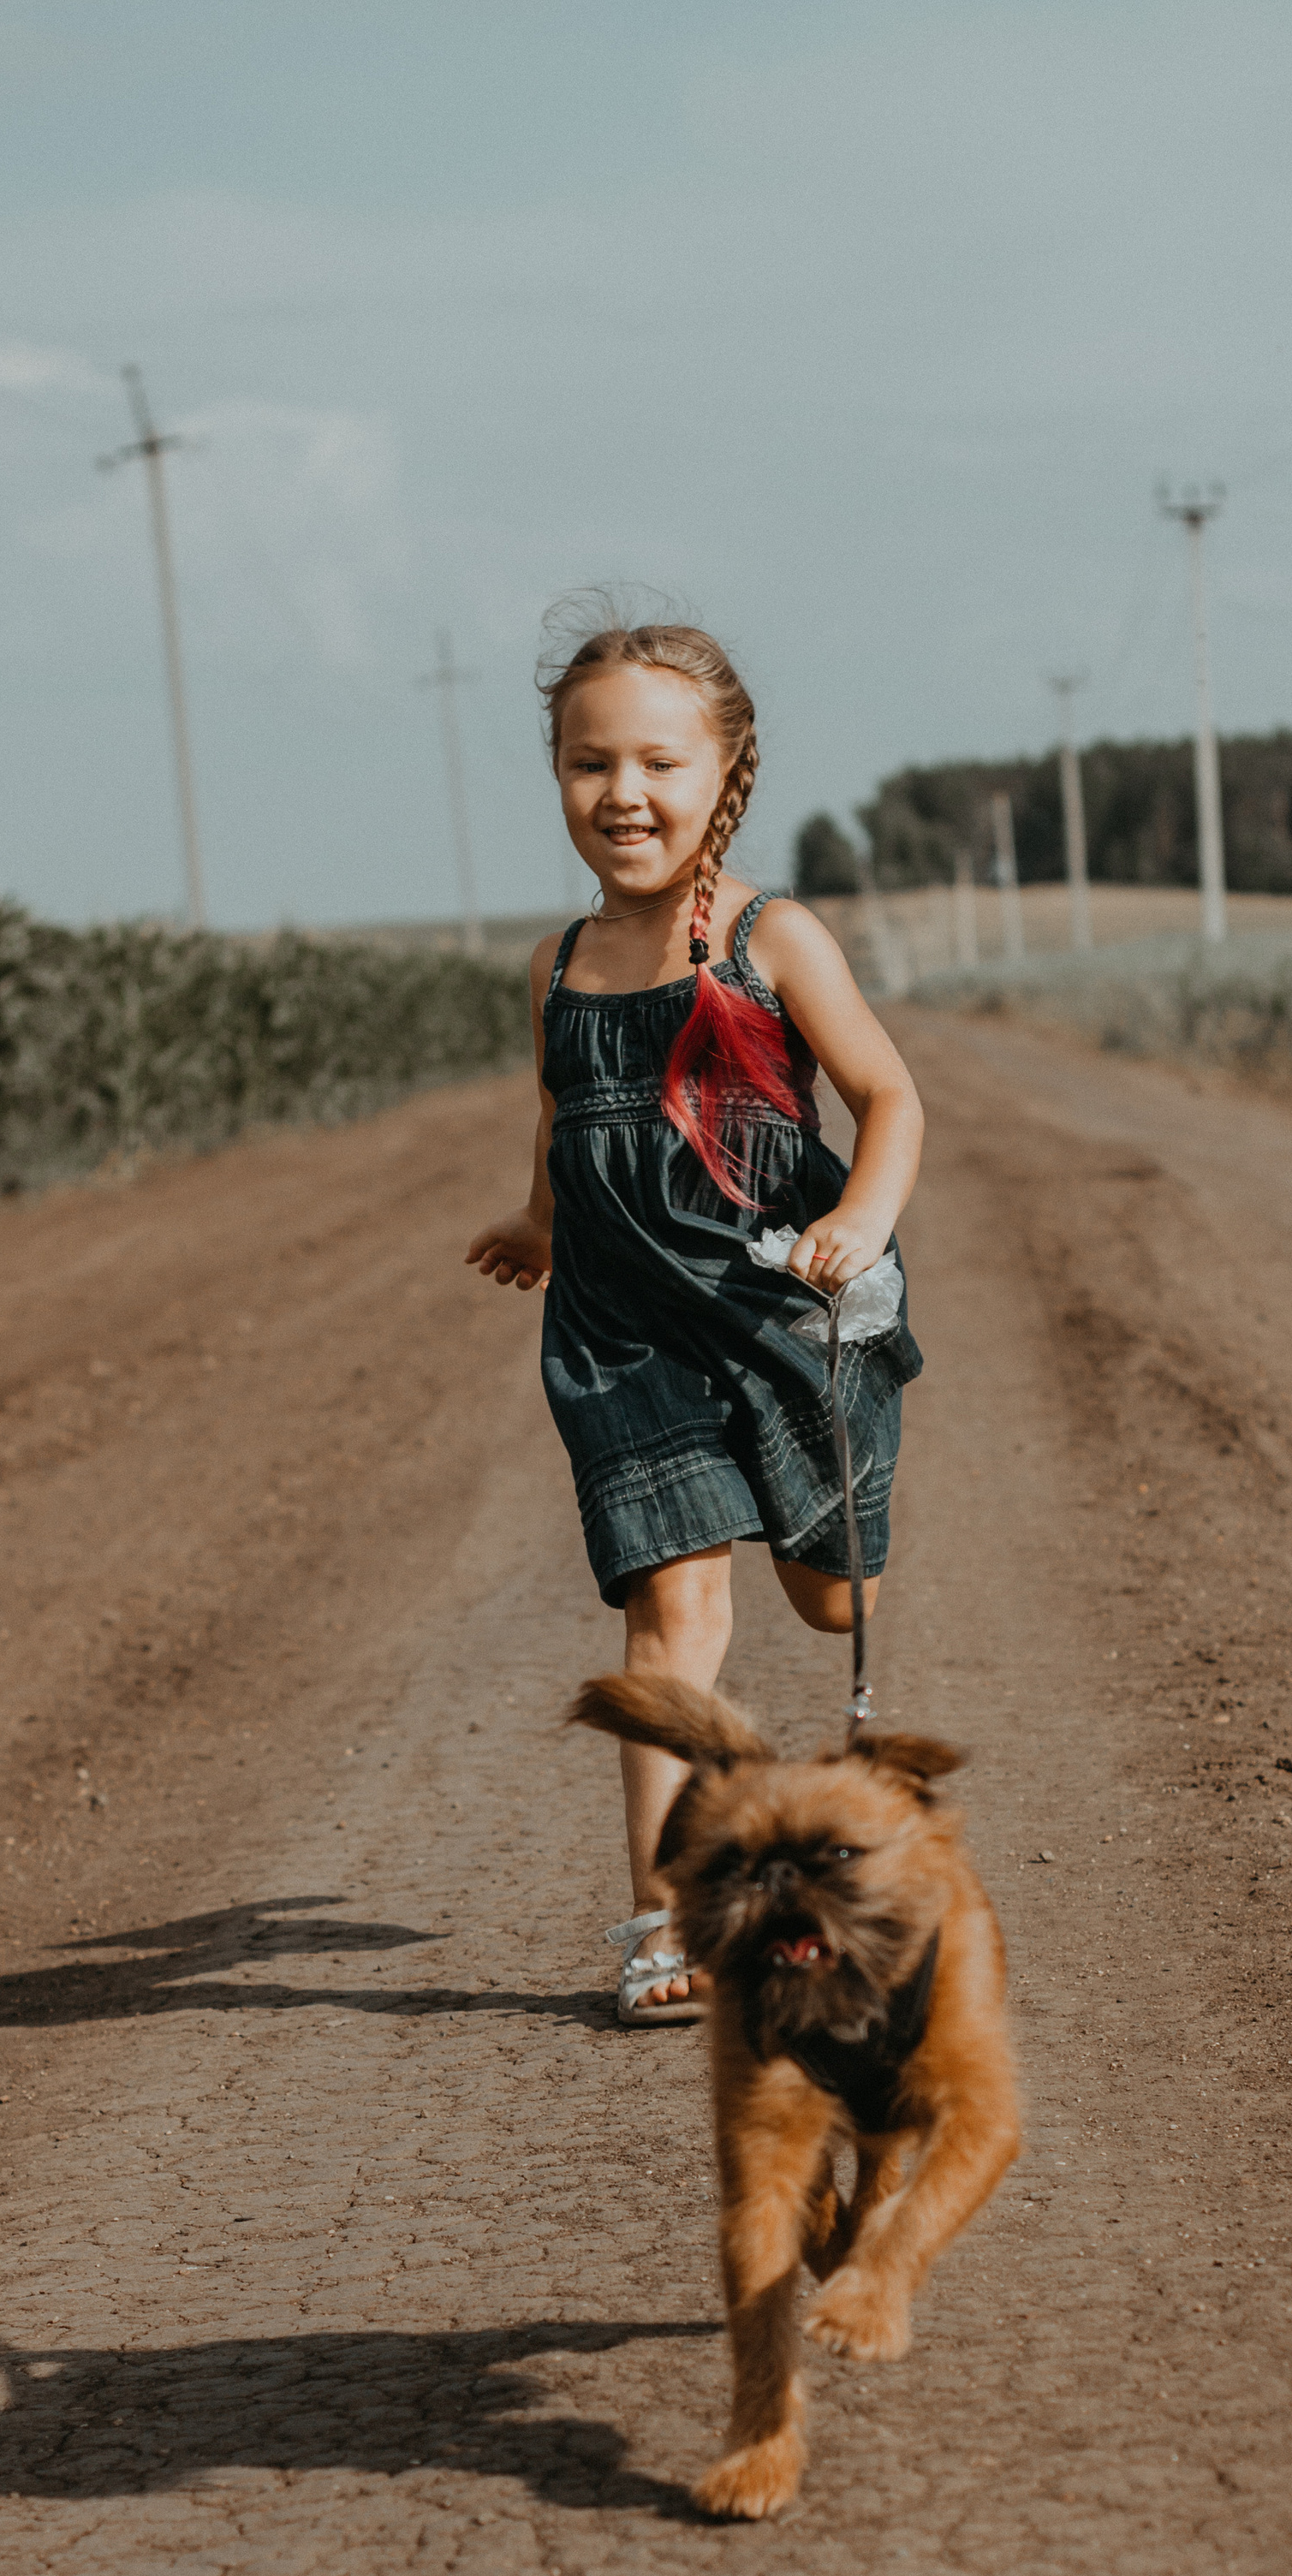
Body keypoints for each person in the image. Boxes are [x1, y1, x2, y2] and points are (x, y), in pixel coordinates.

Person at [465, 610, 926, 2024]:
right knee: (675, 1612)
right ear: (555, 776)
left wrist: (861, 1222)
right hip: (624, 1342)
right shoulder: (554, 967)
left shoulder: (768, 938)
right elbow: (566, 1116)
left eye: (658, 761)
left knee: (829, 1589)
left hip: (787, 1313)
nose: (623, 793)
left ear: (724, 771)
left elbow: (892, 1100)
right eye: (588, 762)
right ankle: (666, 1921)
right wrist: (543, 1225)